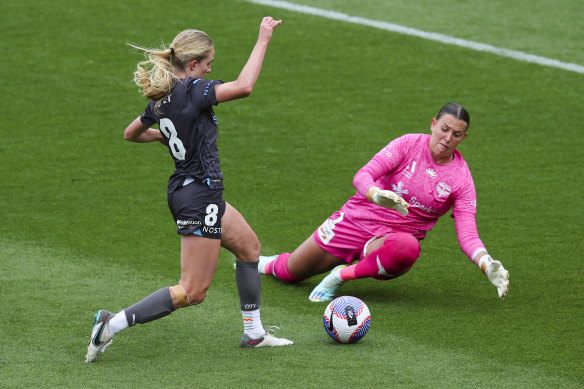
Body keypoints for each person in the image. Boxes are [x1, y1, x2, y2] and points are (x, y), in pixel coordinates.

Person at [85, 16, 293, 363]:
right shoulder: (195, 90)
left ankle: (254, 333)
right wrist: (263, 39)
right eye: (208, 65)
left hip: (197, 191)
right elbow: (243, 86)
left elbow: (130, 133)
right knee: (193, 291)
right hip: (199, 195)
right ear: (193, 64)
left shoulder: (160, 98)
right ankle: (111, 323)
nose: (211, 71)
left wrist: (165, 136)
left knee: (249, 247)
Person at [258, 103, 510, 302]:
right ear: (433, 124)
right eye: (444, 129)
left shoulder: (461, 180)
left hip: (390, 242)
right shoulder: (408, 144)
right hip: (356, 220)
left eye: (456, 134)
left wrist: (487, 264)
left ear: (463, 137)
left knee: (408, 248)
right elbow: (363, 175)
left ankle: (340, 276)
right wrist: (375, 194)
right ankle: (265, 263)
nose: (447, 138)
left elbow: (468, 234)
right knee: (292, 272)